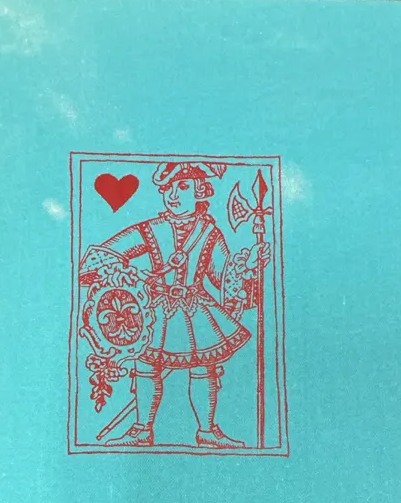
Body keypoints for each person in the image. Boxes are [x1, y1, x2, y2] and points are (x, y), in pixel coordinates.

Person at [80, 161, 264, 447]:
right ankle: (142, 431)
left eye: (183, 186)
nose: (174, 195)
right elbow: (104, 255)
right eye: (168, 188)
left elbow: (222, 276)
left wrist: (248, 265)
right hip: (154, 311)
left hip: (196, 309)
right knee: (146, 367)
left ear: (200, 191)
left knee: (204, 368)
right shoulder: (151, 229)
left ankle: (207, 431)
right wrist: (134, 276)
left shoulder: (209, 233)